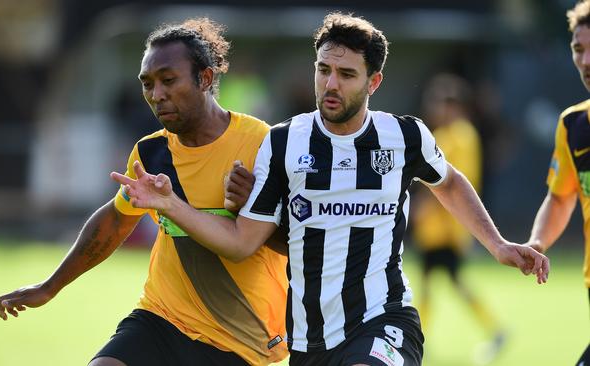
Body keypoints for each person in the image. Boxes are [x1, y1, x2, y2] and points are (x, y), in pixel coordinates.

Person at [113, 12, 550, 366]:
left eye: (346, 74)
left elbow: (449, 182)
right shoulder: (283, 143)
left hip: (384, 317)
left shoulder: (405, 136)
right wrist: (170, 204)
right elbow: (241, 242)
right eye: (323, 70)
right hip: (309, 340)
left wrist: (496, 245)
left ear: (373, 82)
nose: (331, 84)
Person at [0, 18, 289, 366]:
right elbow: (116, 221)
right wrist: (50, 286)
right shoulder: (151, 154)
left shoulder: (265, 146)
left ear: (205, 79)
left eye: (168, 80)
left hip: (240, 338)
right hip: (160, 319)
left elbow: (301, 242)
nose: (156, 94)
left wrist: (255, 207)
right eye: (147, 83)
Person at [410, 73, 505, 363]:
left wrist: (423, 209)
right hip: (436, 230)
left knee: (445, 283)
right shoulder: (446, 134)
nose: (438, 110)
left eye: (442, 104)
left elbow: (448, 184)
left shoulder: (460, 136)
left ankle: (494, 329)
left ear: (455, 106)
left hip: (447, 230)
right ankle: (421, 337)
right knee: (434, 283)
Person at [526, 1, 590, 364]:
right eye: (579, 49)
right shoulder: (573, 126)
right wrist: (538, 242)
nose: (586, 61)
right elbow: (562, 197)